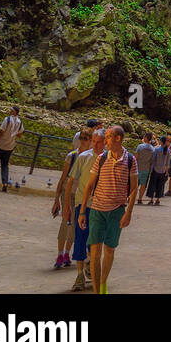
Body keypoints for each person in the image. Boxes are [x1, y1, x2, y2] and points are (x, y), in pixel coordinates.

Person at [77, 124, 139, 295]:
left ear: (118, 139)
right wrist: (82, 211)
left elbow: (134, 188)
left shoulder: (130, 161)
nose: (105, 141)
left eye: (109, 137)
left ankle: (103, 283)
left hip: (117, 211)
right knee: (95, 253)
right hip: (97, 209)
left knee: (110, 250)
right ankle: (97, 291)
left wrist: (129, 213)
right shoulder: (101, 158)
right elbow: (89, 186)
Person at [65, 126, 102, 290]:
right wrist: (67, 205)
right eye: (93, 141)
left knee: (95, 242)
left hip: (100, 207)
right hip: (83, 205)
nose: (95, 144)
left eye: (99, 142)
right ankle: (80, 275)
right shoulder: (83, 157)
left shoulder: (108, 160)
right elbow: (70, 181)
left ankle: (90, 267)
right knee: (80, 239)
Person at [52, 135, 81, 270]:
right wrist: (56, 199)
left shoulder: (90, 157)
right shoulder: (72, 156)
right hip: (67, 193)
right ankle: (59, 254)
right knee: (66, 222)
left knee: (75, 224)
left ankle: (66, 253)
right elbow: (63, 177)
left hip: (80, 194)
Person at [149, 135, 169, 205]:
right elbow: (167, 162)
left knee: (152, 185)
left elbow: (153, 160)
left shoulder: (157, 149)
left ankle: (151, 199)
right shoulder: (167, 150)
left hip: (155, 169)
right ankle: (158, 200)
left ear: (161, 141)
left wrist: (150, 168)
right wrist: (166, 171)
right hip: (162, 170)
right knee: (160, 185)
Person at [135, 133, 155, 205]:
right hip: (146, 169)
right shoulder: (152, 149)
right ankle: (140, 198)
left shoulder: (140, 146)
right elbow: (152, 161)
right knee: (143, 184)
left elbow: (136, 157)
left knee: (135, 184)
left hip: (137, 168)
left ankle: (131, 197)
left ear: (146, 138)